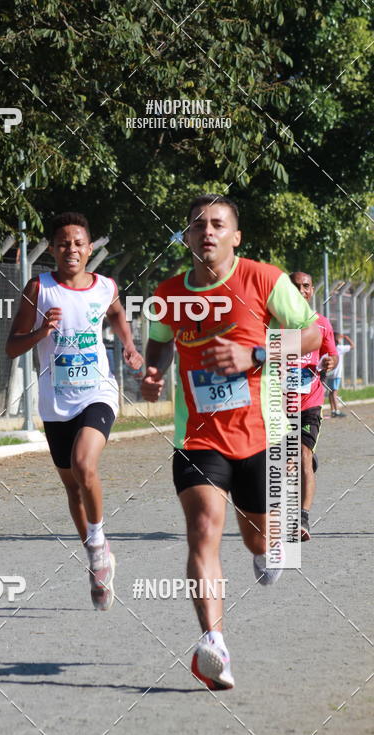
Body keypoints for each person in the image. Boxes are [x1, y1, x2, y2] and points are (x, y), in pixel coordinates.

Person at [141, 195, 322, 690]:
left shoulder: (265, 279)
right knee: (203, 528)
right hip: (197, 438)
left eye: (218, 224)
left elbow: (310, 336)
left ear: (235, 236)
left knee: (258, 539)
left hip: (262, 435)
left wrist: (257, 352)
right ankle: (212, 644)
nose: (207, 232)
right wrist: (153, 371)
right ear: (188, 235)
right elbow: (159, 337)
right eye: (198, 225)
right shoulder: (169, 292)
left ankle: (267, 551)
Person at [6, 212, 143, 610]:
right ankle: (95, 557)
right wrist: (40, 333)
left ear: (89, 248)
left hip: (97, 393)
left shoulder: (105, 286)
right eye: (63, 243)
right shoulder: (40, 288)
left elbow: (116, 312)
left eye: (79, 243)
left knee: (85, 465)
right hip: (55, 403)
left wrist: (130, 347)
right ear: (51, 249)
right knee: (72, 487)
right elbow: (12, 347)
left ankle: (99, 545)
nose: (72, 250)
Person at [289, 272, 338, 541]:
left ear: (311, 291)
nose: (300, 290)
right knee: (281, 462)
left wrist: (331, 362)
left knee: (303, 454)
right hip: (277, 402)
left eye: (305, 286)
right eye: (295, 286)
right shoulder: (273, 322)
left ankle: (302, 519)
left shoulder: (321, 324)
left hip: (310, 400)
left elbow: (332, 355)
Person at [325, 331, 354, 417]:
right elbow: (353, 346)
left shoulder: (329, 348)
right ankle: (336, 411)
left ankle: (333, 410)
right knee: (334, 392)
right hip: (336, 374)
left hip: (330, 373)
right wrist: (347, 338)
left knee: (331, 392)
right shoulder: (340, 348)